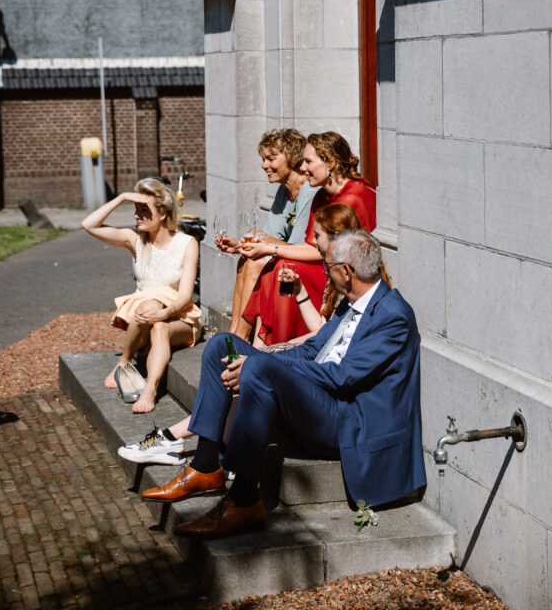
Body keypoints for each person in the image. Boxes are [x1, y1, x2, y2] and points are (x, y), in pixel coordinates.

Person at [139, 229, 425, 540]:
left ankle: (244, 502)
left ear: (347, 271)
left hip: (346, 421)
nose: (325, 275)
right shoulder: (350, 303)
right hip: (318, 399)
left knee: (261, 368)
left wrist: (263, 365)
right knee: (223, 344)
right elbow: (314, 350)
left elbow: (342, 376)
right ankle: (206, 465)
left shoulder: (392, 316)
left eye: (328, 267)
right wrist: (261, 355)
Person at [117, 203, 367, 464]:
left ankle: (175, 440)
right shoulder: (336, 278)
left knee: (242, 374)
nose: (312, 242)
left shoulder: (353, 287)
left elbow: (328, 352)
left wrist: (274, 354)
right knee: (222, 347)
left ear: (337, 239)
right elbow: (322, 333)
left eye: (317, 236)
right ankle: (212, 457)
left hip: (320, 390)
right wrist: (300, 294)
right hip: (310, 363)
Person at [241, 132, 376, 346]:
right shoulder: (321, 195)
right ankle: (260, 344)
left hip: (344, 273)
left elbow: (338, 254)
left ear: (330, 163)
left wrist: (272, 250)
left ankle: (277, 343)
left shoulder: (352, 198)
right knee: (276, 267)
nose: (303, 168)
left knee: (282, 267)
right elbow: (311, 244)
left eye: (308, 161)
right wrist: (270, 250)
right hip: (325, 263)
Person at [81, 179, 201, 413]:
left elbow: (186, 295)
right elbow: (89, 224)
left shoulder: (187, 243)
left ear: (163, 213)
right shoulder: (134, 240)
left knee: (157, 321)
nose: (137, 216)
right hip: (143, 317)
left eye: (144, 211)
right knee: (150, 311)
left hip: (180, 317)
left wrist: (163, 313)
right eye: (136, 210)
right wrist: (122, 198)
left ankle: (149, 390)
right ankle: (124, 361)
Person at [215, 128, 314, 338]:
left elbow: (296, 246)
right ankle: (234, 333)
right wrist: (239, 247)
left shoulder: (309, 191)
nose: (264, 165)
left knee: (255, 263)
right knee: (245, 260)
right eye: (263, 159)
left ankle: (239, 339)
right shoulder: (284, 191)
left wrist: (264, 239)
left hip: (309, 265)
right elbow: (269, 236)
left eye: (271, 158)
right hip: (286, 257)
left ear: (293, 157)